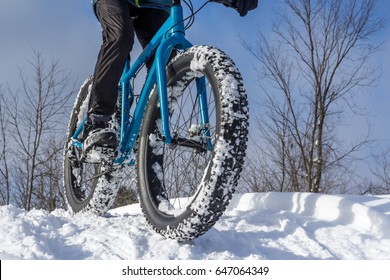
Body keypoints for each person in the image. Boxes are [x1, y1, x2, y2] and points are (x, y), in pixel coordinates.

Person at [83, 0, 258, 160]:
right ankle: (97, 120)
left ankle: (146, 131)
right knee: (120, 37)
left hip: (155, 3)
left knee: (166, 64)